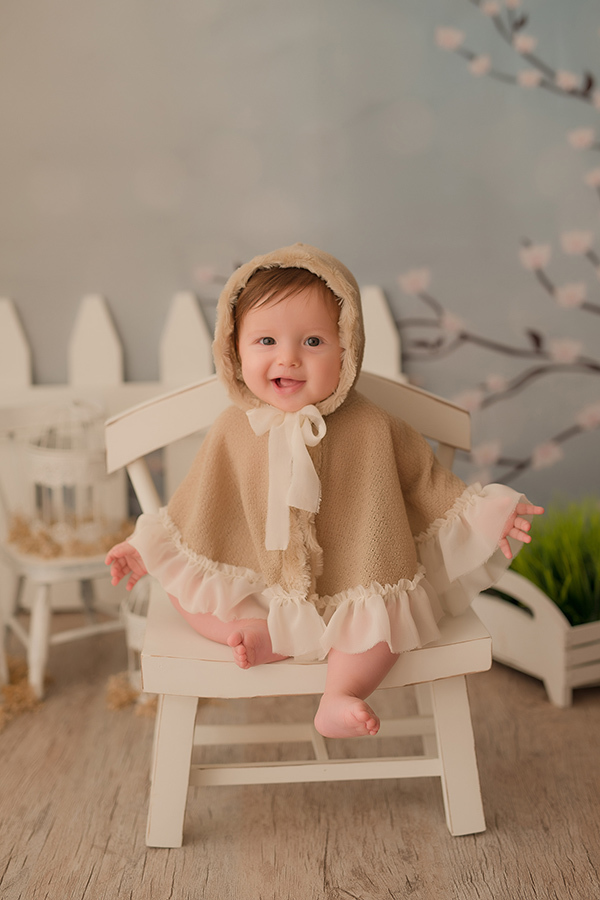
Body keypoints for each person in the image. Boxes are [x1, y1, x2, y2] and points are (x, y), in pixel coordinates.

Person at [106, 243, 543, 740]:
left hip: (352, 586)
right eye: (266, 340)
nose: (287, 358)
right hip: (259, 587)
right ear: (234, 349)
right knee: (187, 594)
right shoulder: (234, 427)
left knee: (383, 630)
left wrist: (488, 515)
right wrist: (145, 550)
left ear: (347, 346)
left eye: (313, 342)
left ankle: (341, 693)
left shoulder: (374, 426)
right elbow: (197, 506)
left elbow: (428, 484)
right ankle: (267, 636)